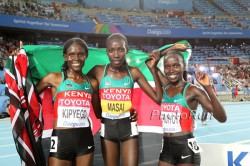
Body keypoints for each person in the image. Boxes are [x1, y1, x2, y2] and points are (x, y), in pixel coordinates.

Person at [87, 33, 165, 166]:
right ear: (107, 52)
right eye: (111, 50)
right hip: (107, 128)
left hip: (128, 128)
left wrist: (153, 68)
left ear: (126, 50)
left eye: (120, 50)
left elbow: (158, 98)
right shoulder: (98, 71)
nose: (116, 55)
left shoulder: (133, 72)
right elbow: (80, 85)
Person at [148, 50, 227, 166]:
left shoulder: (193, 90)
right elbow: (150, 64)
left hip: (186, 148)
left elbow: (222, 118)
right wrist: (159, 57)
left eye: (176, 65)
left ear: (184, 66)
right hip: (166, 148)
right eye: (167, 67)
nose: (171, 70)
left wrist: (208, 88)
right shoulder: (166, 86)